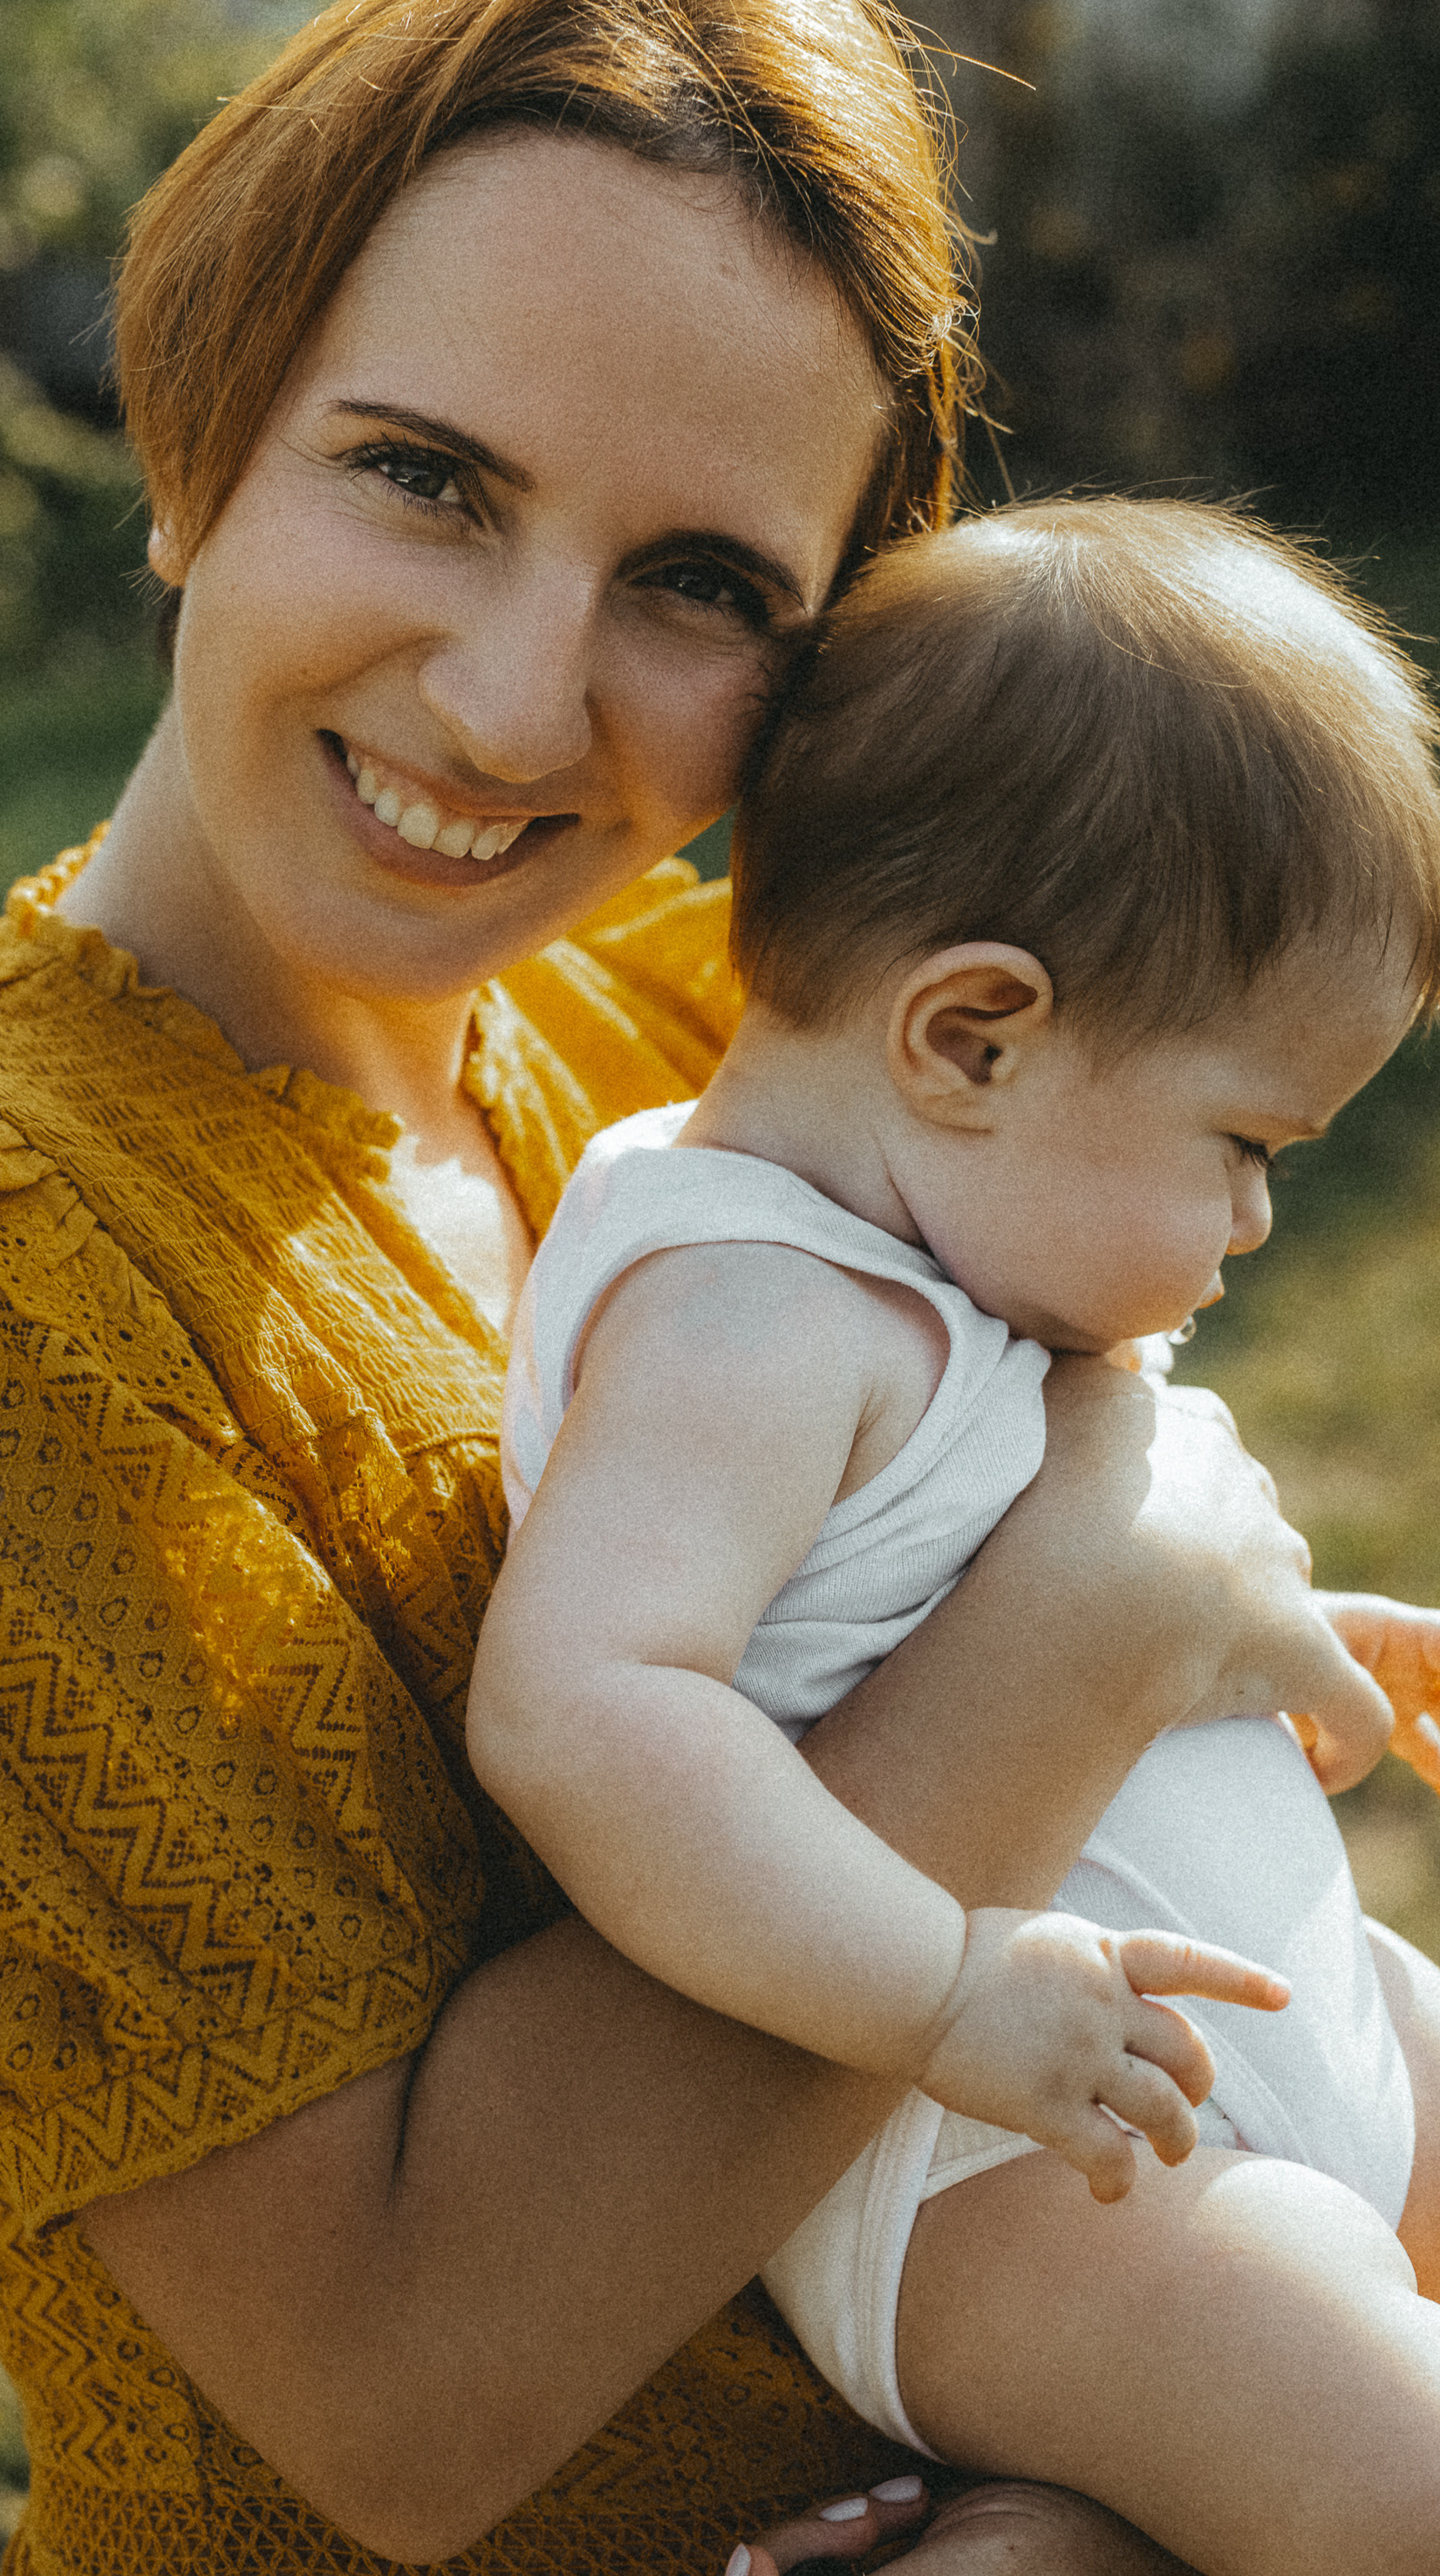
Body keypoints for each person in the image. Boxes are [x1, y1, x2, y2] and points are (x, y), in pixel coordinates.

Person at [0, 0, 1388, 2571]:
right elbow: (392, 2395)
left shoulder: (672, 1023)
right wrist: (1097, 1616)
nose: (512, 703)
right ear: (198, 433)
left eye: (701, 581)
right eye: (423, 477)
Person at [472, 497, 1440, 2576]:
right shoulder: (746, 1316)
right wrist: (935, 1990)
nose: (1257, 1223)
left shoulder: (898, 1264)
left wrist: (1279, 1636)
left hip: (1216, 2046)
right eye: (1245, 1146)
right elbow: (583, 1709)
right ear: (970, 1037)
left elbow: (943, 1579)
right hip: (992, 2172)